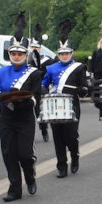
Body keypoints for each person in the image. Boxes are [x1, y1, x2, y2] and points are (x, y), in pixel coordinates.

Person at [0, 13, 44, 201]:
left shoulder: (34, 74)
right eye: (13, 53)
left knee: (24, 153)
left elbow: (36, 97)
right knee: (8, 153)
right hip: (7, 117)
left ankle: (30, 176)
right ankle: (14, 188)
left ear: (26, 54)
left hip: (25, 117)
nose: (16, 56)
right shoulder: (0, 72)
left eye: (20, 53)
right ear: (9, 54)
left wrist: (23, 100)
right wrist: (4, 97)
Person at [41, 20, 88, 178]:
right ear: (58, 54)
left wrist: (83, 90)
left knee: (71, 136)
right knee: (58, 137)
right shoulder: (51, 68)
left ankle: (74, 156)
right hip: (54, 105)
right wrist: (42, 89)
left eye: (67, 53)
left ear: (72, 53)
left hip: (72, 105)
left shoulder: (79, 68)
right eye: (61, 53)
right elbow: (44, 83)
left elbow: (84, 87)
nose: (64, 56)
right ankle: (61, 165)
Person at [28, 31, 51, 143]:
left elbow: (48, 75)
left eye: (36, 47)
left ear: (40, 48)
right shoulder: (26, 60)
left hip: (41, 88)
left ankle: (44, 131)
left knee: (41, 112)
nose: (34, 49)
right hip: (28, 89)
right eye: (32, 46)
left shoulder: (46, 61)